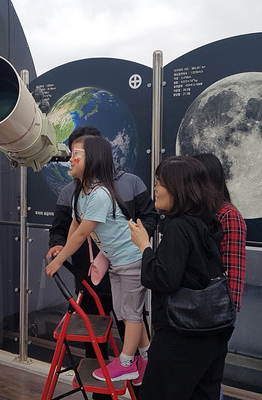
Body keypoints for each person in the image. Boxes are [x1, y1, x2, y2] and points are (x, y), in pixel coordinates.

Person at [46, 126, 158, 395]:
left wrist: (60, 260)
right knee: (121, 317)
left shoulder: (107, 191)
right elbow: (69, 226)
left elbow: (84, 231)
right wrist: (58, 249)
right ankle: (141, 357)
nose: (70, 160)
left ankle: (128, 362)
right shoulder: (75, 193)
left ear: (94, 157)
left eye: (77, 154)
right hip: (97, 274)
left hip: (129, 261)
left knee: (130, 316)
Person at [128, 156, 233, 400]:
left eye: (160, 182)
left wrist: (145, 246)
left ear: (178, 188)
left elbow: (164, 278)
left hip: (181, 336)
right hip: (212, 334)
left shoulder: (179, 228)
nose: (155, 188)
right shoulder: (207, 223)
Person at [193, 153, 246, 312]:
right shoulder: (196, 212)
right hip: (193, 302)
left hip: (216, 308)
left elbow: (233, 268)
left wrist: (228, 309)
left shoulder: (228, 215)